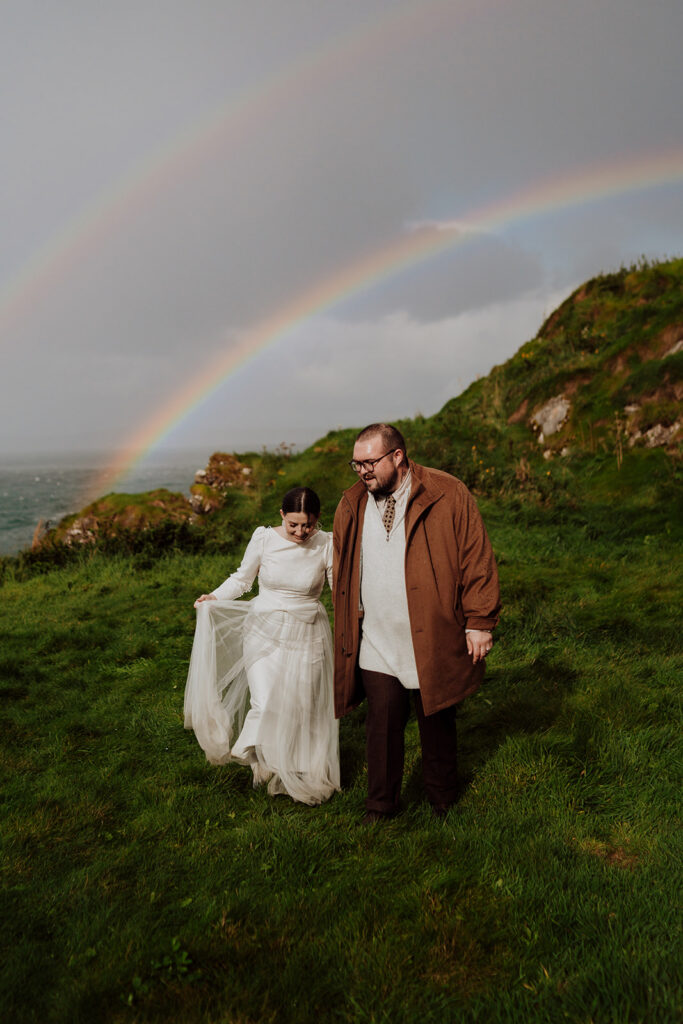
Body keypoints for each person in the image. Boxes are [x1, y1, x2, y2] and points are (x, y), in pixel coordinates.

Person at [333, 424, 500, 822]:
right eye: (356, 464)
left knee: (437, 720)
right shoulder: (352, 503)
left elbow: (476, 556)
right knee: (382, 724)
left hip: (432, 633)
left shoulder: (448, 492)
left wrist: (479, 620)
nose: (362, 472)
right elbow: (340, 565)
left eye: (370, 462)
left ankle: (442, 800)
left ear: (397, 456)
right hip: (376, 636)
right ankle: (380, 807)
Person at [184, 486, 339, 806]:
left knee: (302, 703)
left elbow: (339, 588)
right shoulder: (264, 538)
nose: (300, 532)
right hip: (263, 628)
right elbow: (242, 580)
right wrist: (214, 597)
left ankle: (295, 766)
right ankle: (256, 756)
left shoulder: (327, 543)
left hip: (307, 629)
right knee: (265, 699)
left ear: (318, 520)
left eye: (307, 525)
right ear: (282, 516)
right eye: (293, 524)